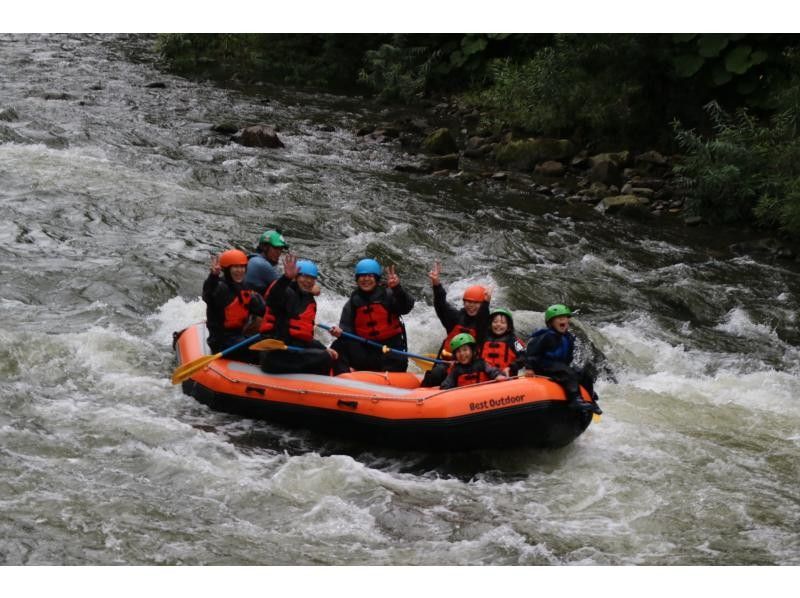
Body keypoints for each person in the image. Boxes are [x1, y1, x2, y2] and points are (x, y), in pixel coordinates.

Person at [329, 258, 415, 373]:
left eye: (370, 276)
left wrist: (397, 288)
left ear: (376, 278)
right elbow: (347, 331)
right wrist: (340, 333)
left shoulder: (389, 295)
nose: (365, 279)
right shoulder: (352, 303)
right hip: (366, 352)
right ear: (357, 279)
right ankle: (344, 375)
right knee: (338, 345)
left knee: (394, 359)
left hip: (390, 349)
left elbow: (406, 307)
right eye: (362, 276)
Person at [258, 254, 338, 375]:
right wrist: (286, 278)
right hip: (274, 354)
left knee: (329, 354)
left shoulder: (309, 300)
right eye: (304, 277)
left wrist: (324, 348)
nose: (308, 281)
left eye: (312, 278)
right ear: (295, 277)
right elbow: (273, 297)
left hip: (292, 351)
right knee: (324, 358)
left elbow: (304, 337)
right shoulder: (285, 292)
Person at [420, 260, 492, 387]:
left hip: (469, 369)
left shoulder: (484, 325)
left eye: (476, 303)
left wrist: (486, 304)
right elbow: (441, 306)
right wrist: (436, 285)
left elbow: (483, 320)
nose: (471, 306)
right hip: (446, 365)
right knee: (436, 374)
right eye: (468, 302)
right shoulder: (456, 318)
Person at [525, 304, 602, 414]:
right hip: (544, 366)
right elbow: (531, 352)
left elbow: (568, 358)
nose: (562, 319)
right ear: (550, 322)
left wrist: (573, 372)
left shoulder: (569, 337)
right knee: (566, 371)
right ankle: (575, 400)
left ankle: (591, 399)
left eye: (565, 317)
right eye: (558, 318)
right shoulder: (545, 335)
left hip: (559, 368)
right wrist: (529, 367)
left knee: (583, 373)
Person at [202, 248, 266, 363]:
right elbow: (208, 295)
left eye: (242, 267)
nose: (239, 270)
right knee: (263, 350)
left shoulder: (245, 287)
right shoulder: (220, 288)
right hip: (221, 342)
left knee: (269, 340)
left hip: (238, 337)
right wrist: (213, 276)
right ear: (227, 269)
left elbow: (262, 309)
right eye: (235, 267)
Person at [440, 333, 506, 389]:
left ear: (473, 351)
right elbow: (446, 385)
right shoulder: (456, 370)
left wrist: (498, 376)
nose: (462, 354)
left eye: (465, 350)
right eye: (458, 351)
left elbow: (492, 371)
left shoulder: (481, 364)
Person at [481, 308, 525, 377]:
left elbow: (524, 356)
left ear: (508, 326)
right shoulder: (484, 339)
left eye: (503, 322)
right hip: (485, 380)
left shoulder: (515, 341)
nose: (498, 324)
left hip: (506, 379)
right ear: (490, 324)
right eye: (495, 322)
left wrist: (511, 367)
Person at [244, 229, 288, 294]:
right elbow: (283, 288)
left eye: (281, 249)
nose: (279, 252)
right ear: (264, 247)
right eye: (276, 248)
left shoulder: (252, 258)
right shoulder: (262, 264)